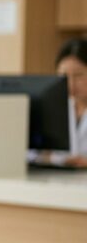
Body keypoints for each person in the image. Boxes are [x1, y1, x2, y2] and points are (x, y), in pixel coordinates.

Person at [33, 38, 87, 167]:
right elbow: (31, 153)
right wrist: (56, 159)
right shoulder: (50, 108)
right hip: (59, 181)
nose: (70, 83)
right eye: (64, 76)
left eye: (79, 75)